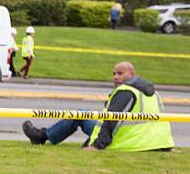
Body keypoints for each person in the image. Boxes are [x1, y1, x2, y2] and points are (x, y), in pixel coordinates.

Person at [21, 61, 174, 152]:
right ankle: (42, 135)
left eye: (120, 73)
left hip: (128, 141)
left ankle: (41, 136)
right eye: (114, 73)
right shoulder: (152, 92)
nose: (115, 77)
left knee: (80, 115)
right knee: (84, 114)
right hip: (158, 143)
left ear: (132, 74)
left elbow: (111, 121)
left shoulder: (125, 91)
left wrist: (96, 146)